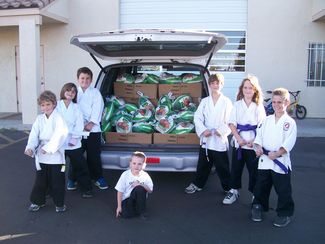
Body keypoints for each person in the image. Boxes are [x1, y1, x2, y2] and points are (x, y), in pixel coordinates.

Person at [251, 88, 297, 227]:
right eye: (274, 102)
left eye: (280, 102)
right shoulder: (266, 120)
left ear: (286, 102)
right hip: (265, 160)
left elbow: (289, 142)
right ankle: (258, 206)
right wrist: (257, 148)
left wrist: (277, 153)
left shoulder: (289, 122)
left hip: (279, 160)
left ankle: (284, 213)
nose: (276, 105)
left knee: (283, 189)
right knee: (261, 186)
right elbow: (258, 137)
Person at [185, 73, 233, 195]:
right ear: (209, 85)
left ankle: (228, 188)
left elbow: (230, 119)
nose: (215, 85)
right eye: (212, 83)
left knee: (222, 166)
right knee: (203, 165)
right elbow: (197, 117)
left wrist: (220, 131)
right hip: (206, 139)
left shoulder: (227, 102)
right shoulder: (205, 101)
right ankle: (198, 184)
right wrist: (202, 130)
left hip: (219, 139)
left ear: (222, 84)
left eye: (217, 83)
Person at [223, 75, 266, 204]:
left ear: (255, 90)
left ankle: (255, 194)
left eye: (250, 88)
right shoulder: (237, 105)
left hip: (253, 145)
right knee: (236, 168)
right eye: (245, 87)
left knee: (254, 171)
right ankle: (234, 191)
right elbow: (231, 123)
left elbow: (262, 126)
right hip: (239, 144)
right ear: (242, 89)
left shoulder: (258, 106)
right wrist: (238, 138)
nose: (248, 90)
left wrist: (255, 141)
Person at [24, 90, 68, 212]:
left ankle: (59, 204)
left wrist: (48, 148)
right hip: (42, 156)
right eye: (43, 105)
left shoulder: (59, 118)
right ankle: (37, 202)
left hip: (56, 155)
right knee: (40, 181)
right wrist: (30, 148)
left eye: (48, 104)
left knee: (57, 181)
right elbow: (33, 135)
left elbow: (61, 134)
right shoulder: (39, 119)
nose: (45, 107)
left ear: (54, 104)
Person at [73, 67, 108, 190]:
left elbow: (98, 109)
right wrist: (78, 126)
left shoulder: (95, 93)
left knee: (94, 156)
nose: (85, 80)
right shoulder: (73, 93)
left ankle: (98, 177)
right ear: (78, 79)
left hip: (93, 130)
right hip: (76, 130)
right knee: (76, 155)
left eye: (87, 78)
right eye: (82, 78)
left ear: (91, 79)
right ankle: (73, 179)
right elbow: (71, 109)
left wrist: (91, 123)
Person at [56, 83, 93, 198]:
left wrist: (75, 138)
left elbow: (79, 124)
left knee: (80, 166)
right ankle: (51, 190)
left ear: (75, 95)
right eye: (68, 90)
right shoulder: (56, 105)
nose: (70, 93)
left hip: (73, 143)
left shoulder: (76, 107)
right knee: (56, 168)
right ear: (63, 91)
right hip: (59, 143)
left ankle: (87, 189)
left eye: (73, 92)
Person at [115, 151, 153, 220]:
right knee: (125, 215)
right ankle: (136, 210)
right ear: (130, 164)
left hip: (139, 200)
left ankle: (142, 211)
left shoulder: (145, 175)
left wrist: (141, 184)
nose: (136, 166)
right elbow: (119, 191)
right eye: (134, 163)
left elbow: (150, 190)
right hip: (128, 200)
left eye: (139, 164)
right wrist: (119, 206)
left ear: (144, 165)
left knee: (139, 188)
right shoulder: (125, 174)